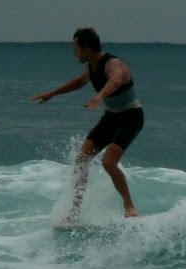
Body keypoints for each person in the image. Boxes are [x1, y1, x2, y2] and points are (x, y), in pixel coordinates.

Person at [31, 27, 144, 221]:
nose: (74, 52)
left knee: (108, 163)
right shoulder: (91, 67)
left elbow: (116, 81)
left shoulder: (113, 64)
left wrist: (99, 95)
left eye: (76, 48)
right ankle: (75, 211)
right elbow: (79, 81)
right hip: (111, 118)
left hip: (131, 117)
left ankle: (129, 206)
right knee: (82, 159)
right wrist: (52, 93)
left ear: (87, 48)